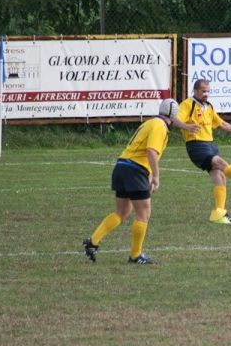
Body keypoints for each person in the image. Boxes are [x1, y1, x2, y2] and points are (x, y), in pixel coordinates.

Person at [82, 98, 199, 264]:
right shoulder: (160, 126)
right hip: (135, 170)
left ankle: (92, 242)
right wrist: (156, 176)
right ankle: (135, 255)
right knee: (143, 213)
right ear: (173, 115)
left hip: (122, 166)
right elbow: (151, 152)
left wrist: (149, 174)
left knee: (121, 213)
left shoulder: (151, 122)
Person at [177, 79, 231, 224]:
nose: (206, 94)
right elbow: (175, 120)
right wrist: (187, 127)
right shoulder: (188, 104)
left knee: (220, 177)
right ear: (195, 91)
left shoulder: (209, 106)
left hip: (210, 144)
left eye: (208, 91)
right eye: (203, 91)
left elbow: (222, 123)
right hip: (196, 145)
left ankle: (219, 214)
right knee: (219, 162)